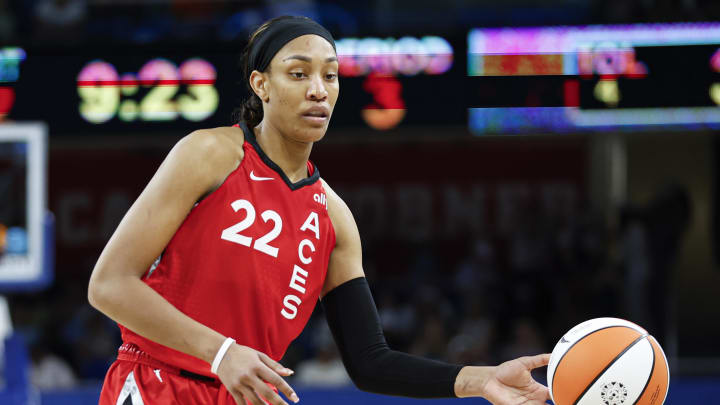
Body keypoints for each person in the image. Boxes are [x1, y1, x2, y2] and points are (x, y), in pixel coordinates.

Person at [88, 15, 551, 405]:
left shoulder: (333, 217)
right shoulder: (209, 154)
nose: (318, 90)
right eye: (298, 73)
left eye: (329, 76)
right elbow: (109, 284)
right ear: (261, 84)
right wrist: (222, 352)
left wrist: (479, 380)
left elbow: (370, 362)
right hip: (159, 384)